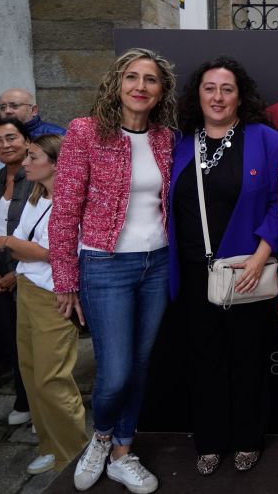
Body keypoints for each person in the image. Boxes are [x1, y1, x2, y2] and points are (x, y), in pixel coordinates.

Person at [48, 47, 177, 493]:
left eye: (151, 80)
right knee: (116, 370)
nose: (141, 86)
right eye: (132, 78)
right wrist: (65, 278)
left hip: (157, 263)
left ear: (162, 91)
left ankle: (123, 450)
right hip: (104, 265)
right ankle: (101, 437)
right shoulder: (85, 132)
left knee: (140, 366)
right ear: (117, 85)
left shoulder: (166, 137)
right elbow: (64, 210)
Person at [169, 56, 278, 475]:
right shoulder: (177, 145)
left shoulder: (267, 141)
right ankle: (210, 441)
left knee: (248, 358)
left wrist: (260, 255)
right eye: (209, 88)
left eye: (227, 89)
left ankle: (248, 439)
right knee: (204, 360)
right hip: (192, 272)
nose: (217, 97)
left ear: (241, 97)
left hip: (246, 269)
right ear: (196, 95)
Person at [0, 134, 88, 475]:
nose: (25, 163)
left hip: (53, 296)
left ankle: (74, 455)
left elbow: (55, 253)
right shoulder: (35, 196)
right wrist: (16, 244)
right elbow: (25, 244)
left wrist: (9, 242)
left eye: (33, 157)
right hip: (28, 289)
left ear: (56, 162)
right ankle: (51, 446)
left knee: (53, 379)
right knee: (32, 374)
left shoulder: (71, 200)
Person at [0, 118, 34, 426]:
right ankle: (23, 399)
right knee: (9, 338)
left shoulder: (37, 180)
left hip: (28, 269)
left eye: (11, 137)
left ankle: (36, 404)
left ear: (25, 140)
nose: (5, 145)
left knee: (32, 342)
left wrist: (15, 273)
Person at [0, 89, 67, 138]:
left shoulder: (58, 135)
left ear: (33, 110)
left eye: (14, 106)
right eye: (2, 107)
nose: (7, 111)